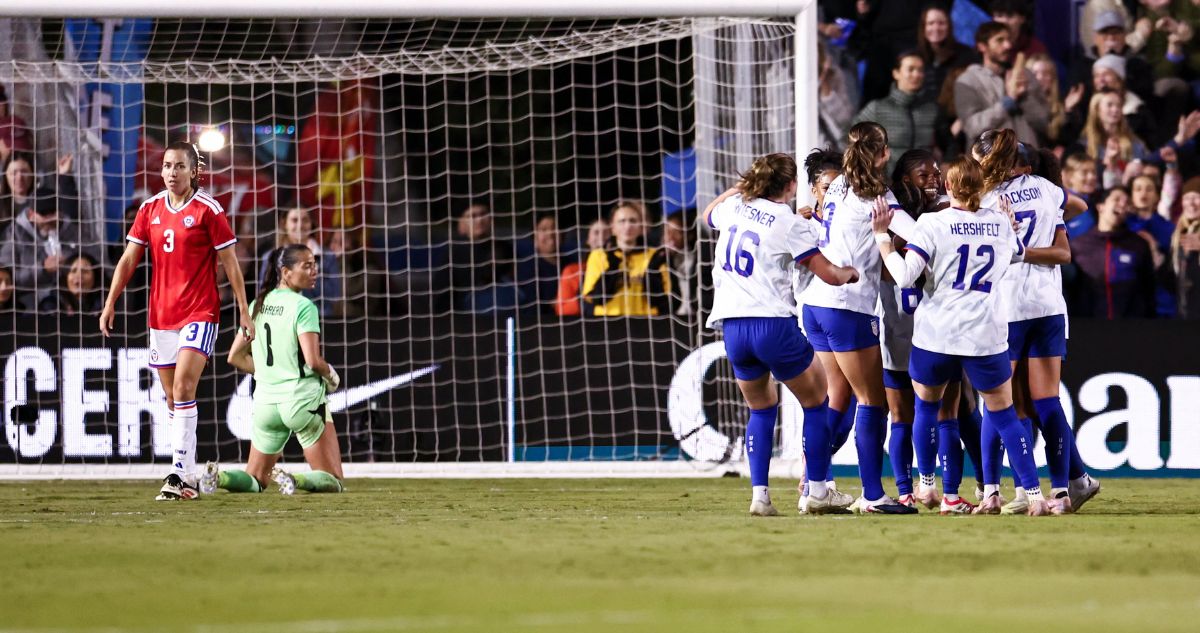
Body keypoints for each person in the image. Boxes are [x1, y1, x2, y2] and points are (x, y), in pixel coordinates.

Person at [871, 155, 1051, 517]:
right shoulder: (1000, 225)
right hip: (985, 335)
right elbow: (1016, 255)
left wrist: (882, 239)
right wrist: (1008, 225)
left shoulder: (933, 223)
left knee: (927, 407)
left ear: (950, 186)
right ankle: (1034, 495)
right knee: (1004, 415)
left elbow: (905, 276)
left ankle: (926, 484)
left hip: (937, 334)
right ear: (982, 187)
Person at [703, 152, 859, 516]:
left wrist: (740, 190)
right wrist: (851, 273)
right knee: (818, 401)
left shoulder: (735, 208)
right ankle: (819, 490)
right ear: (790, 186)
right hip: (772, 325)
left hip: (732, 327)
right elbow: (829, 275)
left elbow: (708, 213)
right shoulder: (789, 222)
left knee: (760, 407)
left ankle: (760, 497)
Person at [100, 141, 253, 501]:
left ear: (193, 171)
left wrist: (244, 310)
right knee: (172, 397)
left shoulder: (208, 210)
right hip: (161, 316)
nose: (171, 172)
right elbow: (128, 260)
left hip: (200, 311)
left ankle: (179, 475)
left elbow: (230, 264)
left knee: (184, 388)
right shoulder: (149, 209)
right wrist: (110, 303)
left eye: (179, 166)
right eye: (167, 166)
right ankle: (189, 474)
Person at [975, 129, 1099, 514]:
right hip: (1047, 306)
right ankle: (1062, 492)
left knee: (997, 403)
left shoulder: (986, 199)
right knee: (1047, 401)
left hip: (1007, 308)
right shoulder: (1048, 190)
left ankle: (991, 491)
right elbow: (1078, 206)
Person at [801, 121, 918, 515]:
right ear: (883, 155)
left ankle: (814, 486)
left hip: (816, 304)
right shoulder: (875, 195)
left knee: (833, 399)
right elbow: (918, 236)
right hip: (848, 305)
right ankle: (872, 495)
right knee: (874, 401)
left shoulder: (835, 186)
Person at [201, 243, 345, 495]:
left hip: (266, 404)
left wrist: (270, 372)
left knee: (255, 479)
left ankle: (219, 476)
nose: (315, 271)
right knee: (333, 480)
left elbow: (234, 356)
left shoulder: (258, 303)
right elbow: (313, 361)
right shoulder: (304, 307)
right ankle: (294, 479)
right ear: (285, 272)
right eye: (307, 265)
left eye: (315, 265)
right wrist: (331, 374)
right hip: (302, 401)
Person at [0, 163, 95, 310]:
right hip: (29, 307)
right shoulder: (15, 234)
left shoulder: (73, 231)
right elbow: (7, 280)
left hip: (71, 305)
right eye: (44, 214)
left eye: (53, 212)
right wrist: (42, 269)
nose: (50, 218)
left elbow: (94, 264)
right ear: (31, 215)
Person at [954, 21, 1050, 146]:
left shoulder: (1025, 75)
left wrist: (1024, 97)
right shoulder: (968, 80)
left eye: (1009, 40)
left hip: (1026, 158)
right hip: (989, 161)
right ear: (982, 46)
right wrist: (1008, 101)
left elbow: (1044, 122)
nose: (1008, 45)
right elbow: (972, 127)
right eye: (1000, 40)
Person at [1071, 186, 1158, 318]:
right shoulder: (1078, 245)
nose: (1122, 204)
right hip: (1088, 329)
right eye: (1117, 199)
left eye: (1127, 202)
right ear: (1101, 207)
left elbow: (1149, 289)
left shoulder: (1139, 244)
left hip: (1131, 329)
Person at [851, 51, 938, 174]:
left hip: (924, 182)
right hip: (888, 183)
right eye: (911, 69)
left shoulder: (931, 109)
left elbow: (948, 142)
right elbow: (849, 136)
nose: (916, 74)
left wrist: (946, 163)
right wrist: (867, 166)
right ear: (896, 73)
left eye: (920, 70)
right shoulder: (877, 108)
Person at [581, 201, 671, 317]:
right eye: (622, 221)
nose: (627, 226)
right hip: (607, 322)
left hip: (645, 323)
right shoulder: (599, 255)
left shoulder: (655, 256)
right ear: (612, 227)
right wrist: (613, 266)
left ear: (641, 227)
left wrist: (651, 271)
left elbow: (662, 303)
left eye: (633, 221)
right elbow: (596, 299)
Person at [260, 207, 339, 315]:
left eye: (305, 220)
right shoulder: (270, 257)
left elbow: (334, 296)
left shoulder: (327, 256)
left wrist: (311, 270)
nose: (300, 225)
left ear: (311, 224)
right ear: (284, 224)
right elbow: (264, 296)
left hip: (319, 321)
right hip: (283, 321)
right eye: (294, 220)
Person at [915, 5, 977, 104]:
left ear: (949, 26)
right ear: (923, 28)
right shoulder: (915, 56)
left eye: (941, 23)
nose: (936, 28)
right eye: (930, 23)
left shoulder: (966, 54)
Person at [555, 218, 608, 317]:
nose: (601, 237)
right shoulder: (572, 271)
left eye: (606, 232)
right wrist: (587, 301)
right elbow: (562, 309)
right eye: (596, 232)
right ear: (588, 239)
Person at [516, 213, 563, 316]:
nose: (550, 233)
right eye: (544, 229)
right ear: (535, 237)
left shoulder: (570, 265)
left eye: (554, 228)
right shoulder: (528, 268)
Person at [1173, 185, 1200, 319]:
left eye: (1196, 197)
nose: (1191, 203)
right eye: (1187, 198)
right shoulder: (1178, 233)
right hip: (1184, 313)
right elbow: (1172, 278)